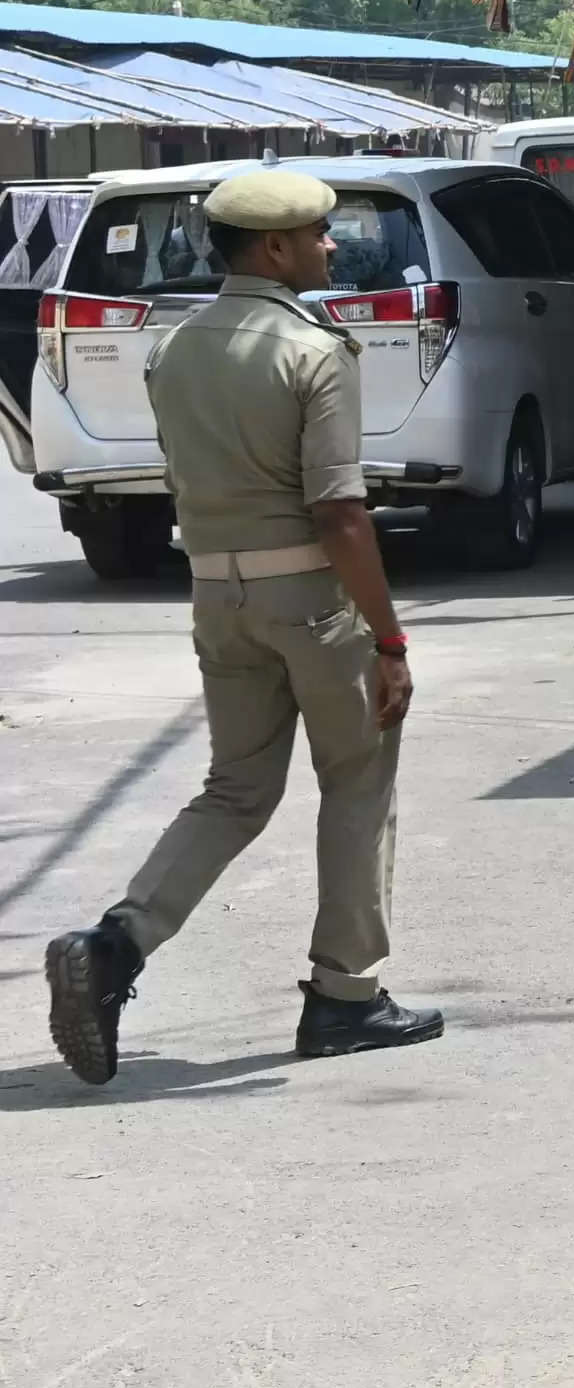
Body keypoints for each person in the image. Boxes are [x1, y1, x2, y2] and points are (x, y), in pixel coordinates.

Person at [42, 168, 440, 1083]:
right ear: (273, 248)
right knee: (358, 781)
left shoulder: (173, 347)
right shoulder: (312, 350)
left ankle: (115, 945)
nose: (330, 248)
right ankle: (345, 996)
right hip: (310, 601)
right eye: (316, 235)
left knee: (234, 792)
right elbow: (339, 511)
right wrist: (389, 638)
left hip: (217, 596)